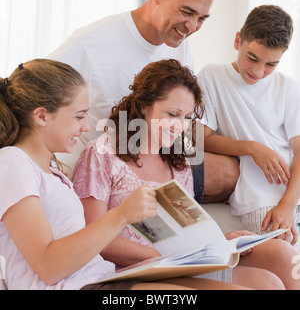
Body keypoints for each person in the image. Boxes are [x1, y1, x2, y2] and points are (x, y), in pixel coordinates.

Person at [0, 58, 247, 291]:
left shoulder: (53, 174)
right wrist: (121, 214)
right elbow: (49, 267)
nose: (86, 127)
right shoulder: (13, 161)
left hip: (100, 280)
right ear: (42, 116)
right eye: (78, 117)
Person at [72, 59, 300, 290]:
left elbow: (188, 233)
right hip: (137, 270)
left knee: (279, 261)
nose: (180, 126)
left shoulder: (179, 163)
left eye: (188, 117)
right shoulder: (102, 154)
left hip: (183, 263)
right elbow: (94, 238)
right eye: (172, 114)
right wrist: (162, 256)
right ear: (143, 106)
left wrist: (220, 242)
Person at [48, 0, 239, 204]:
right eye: (187, 12)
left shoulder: (181, 48)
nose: (193, 27)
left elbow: (182, 114)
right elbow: (34, 90)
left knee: (232, 171)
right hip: (113, 160)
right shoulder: (91, 43)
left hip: (159, 155)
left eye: (202, 18)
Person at [198, 5, 300, 252]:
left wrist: (288, 204)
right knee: (288, 263)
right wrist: (252, 148)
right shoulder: (212, 76)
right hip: (262, 197)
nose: (258, 71)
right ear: (237, 40)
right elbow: (202, 139)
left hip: (290, 194)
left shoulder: (287, 87)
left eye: (271, 64)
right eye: (252, 58)